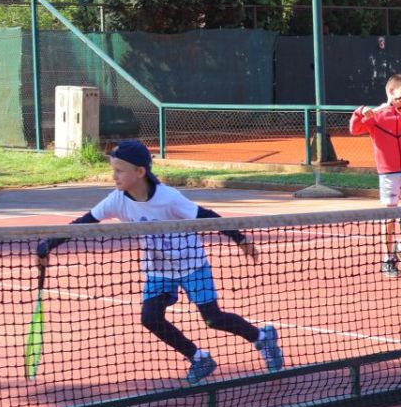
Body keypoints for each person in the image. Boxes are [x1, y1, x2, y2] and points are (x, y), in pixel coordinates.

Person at [35, 140, 284, 385]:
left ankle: (262, 337)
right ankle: (199, 358)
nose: (114, 176)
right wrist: (49, 244)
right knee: (150, 318)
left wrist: (240, 239)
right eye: (113, 170)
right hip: (158, 270)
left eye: (119, 170)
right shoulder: (116, 200)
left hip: (191, 264)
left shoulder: (169, 198)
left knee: (213, 319)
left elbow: (207, 217)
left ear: (140, 172)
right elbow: (84, 222)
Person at [351, 73, 401, 275]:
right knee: (390, 216)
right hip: (388, 175)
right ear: (391, 92)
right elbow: (354, 129)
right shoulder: (377, 115)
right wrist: (361, 112)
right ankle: (387, 259)